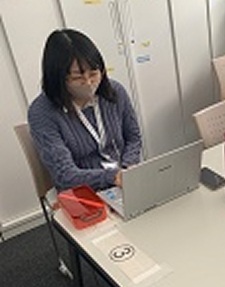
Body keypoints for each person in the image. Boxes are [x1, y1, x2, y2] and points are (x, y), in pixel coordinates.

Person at [28, 28, 142, 192]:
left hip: (123, 180)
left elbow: (133, 137)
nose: (88, 83)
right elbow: (64, 175)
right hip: (83, 191)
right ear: (58, 78)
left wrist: (128, 168)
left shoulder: (114, 92)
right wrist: (112, 177)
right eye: (77, 77)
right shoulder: (42, 112)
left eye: (94, 74)